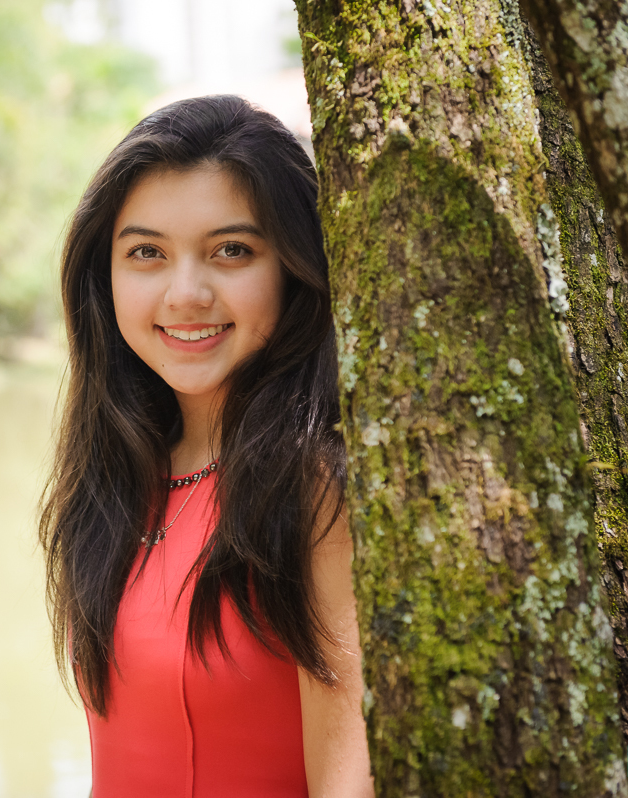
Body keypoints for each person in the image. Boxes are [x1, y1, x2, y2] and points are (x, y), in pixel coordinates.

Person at [38, 95, 373, 796]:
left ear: (295, 266)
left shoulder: (315, 485)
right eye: (147, 253)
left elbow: (350, 781)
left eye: (231, 251)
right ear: (106, 276)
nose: (185, 293)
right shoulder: (120, 472)